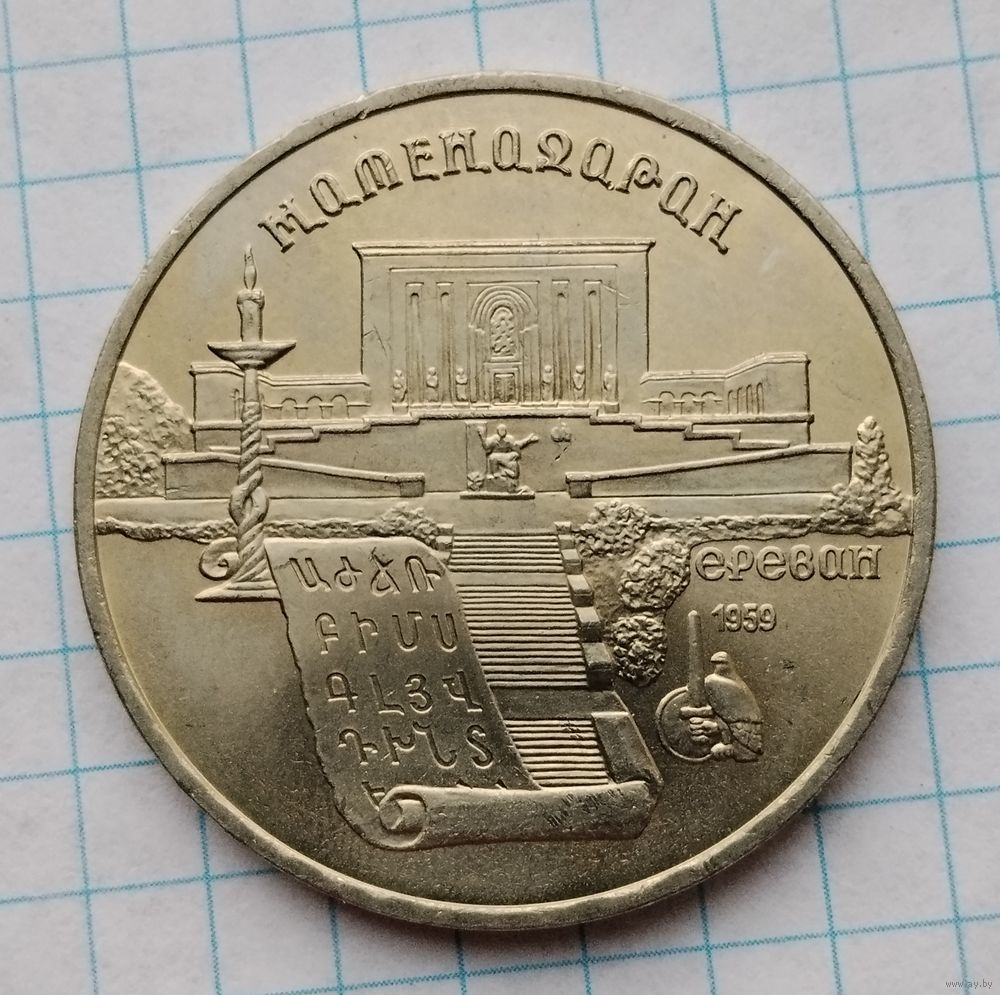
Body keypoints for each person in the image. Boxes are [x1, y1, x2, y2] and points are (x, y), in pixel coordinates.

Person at [476, 422, 539, 492]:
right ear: (497, 431)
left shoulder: (509, 439)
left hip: (507, 458)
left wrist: (529, 439)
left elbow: (517, 445)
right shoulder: (494, 438)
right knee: (492, 457)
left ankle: (507, 478)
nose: (502, 432)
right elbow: (486, 446)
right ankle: (495, 474)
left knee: (513, 464)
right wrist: (482, 436)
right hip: (496, 458)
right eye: (501, 430)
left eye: (503, 430)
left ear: (506, 431)